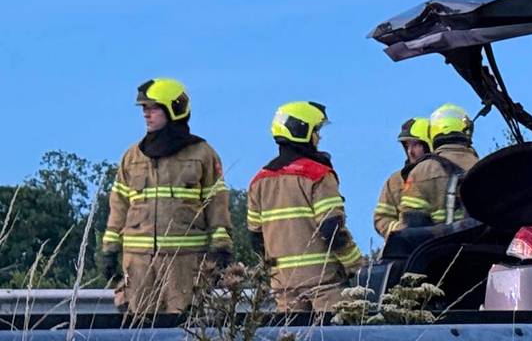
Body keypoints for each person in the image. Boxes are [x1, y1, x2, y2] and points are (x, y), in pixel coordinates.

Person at [101, 78, 232, 315]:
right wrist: (110, 249)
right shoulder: (132, 156)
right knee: (139, 330)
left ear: (175, 108)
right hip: (138, 263)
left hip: (185, 262)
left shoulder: (203, 153)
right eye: (144, 109)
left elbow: (217, 205)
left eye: (153, 108)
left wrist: (221, 248)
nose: (146, 115)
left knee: (186, 331)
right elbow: (118, 205)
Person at [247, 101, 362, 313]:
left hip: (284, 288)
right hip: (325, 285)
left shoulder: (258, 181)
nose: (319, 137)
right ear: (302, 130)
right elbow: (332, 229)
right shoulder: (318, 175)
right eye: (316, 130)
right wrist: (357, 265)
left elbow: (256, 237)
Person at [398, 103, 480, 227]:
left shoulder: (420, 172)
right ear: (467, 130)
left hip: (438, 246)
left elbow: (411, 226)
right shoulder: (485, 169)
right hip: (483, 245)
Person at [374, 117, 429, 238]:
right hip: (405, 251)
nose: (410, 151)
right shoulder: (395, 181)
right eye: (407, 146)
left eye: (415, 145)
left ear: (428, 144)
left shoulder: (440, 174)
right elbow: (381, 218)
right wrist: (401, 230)